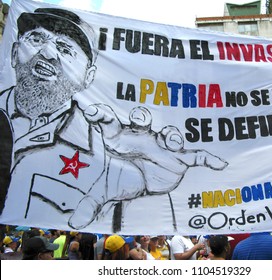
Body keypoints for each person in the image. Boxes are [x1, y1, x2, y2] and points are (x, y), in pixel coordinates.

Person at [0, 7, 228, 234]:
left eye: (65, 49)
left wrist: (148, 192)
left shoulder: (117, 161)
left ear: (87, 77)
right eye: (36, 38)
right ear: (13, 52)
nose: (47, 53)